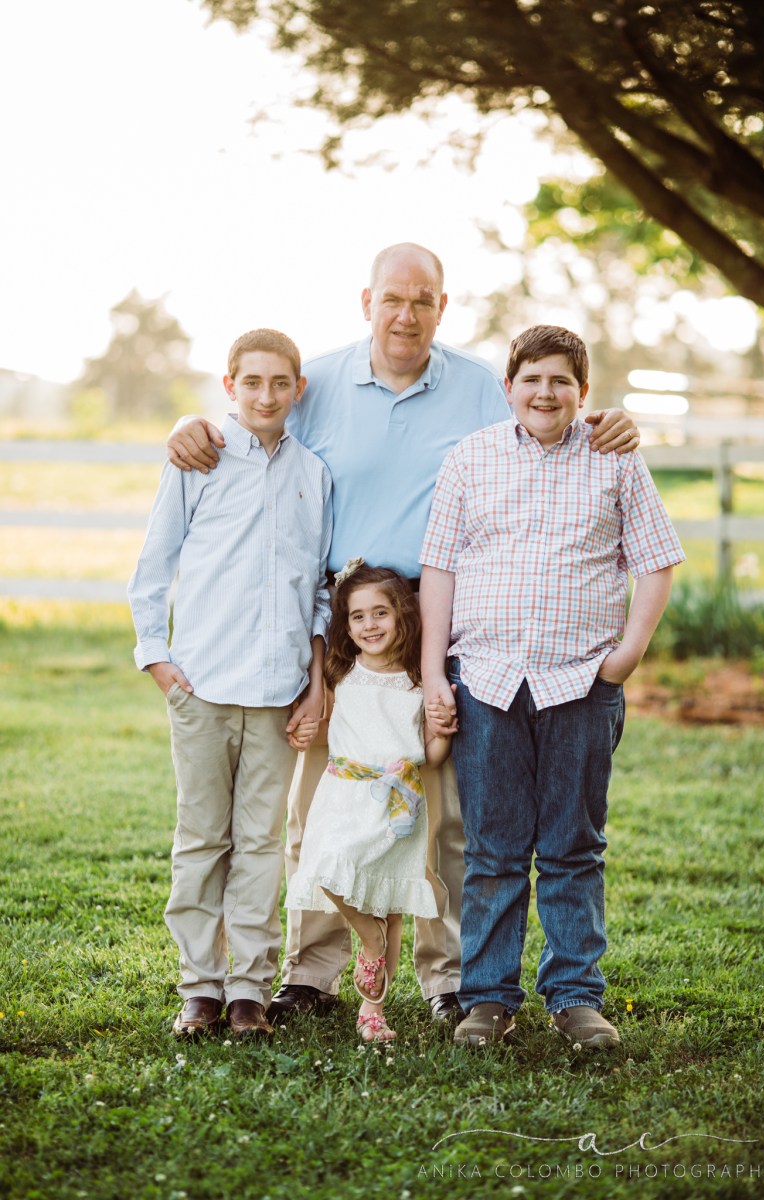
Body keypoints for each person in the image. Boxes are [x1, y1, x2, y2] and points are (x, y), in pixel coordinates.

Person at [166, 243, 642, 1026]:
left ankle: (444, 972)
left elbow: (546, 424)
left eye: (423, 300)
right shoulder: (317, 382)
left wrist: (608, 419)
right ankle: (313, 968)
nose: (407, 313)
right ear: (367, 301)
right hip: (341, 623)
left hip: (438, 616)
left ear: (442, 307)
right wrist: (192, 422)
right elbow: (248, 419)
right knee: (323, 805)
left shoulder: (479, 387)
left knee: (442, 807)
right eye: (394, 298)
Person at [420, 324, 684, 1048]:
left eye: (560, 380)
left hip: (580, 683)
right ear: (509, 388)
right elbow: (439, 569)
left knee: (573, 846)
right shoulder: (470, 460)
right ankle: (489, 999)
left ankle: (575, 996)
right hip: (489, 681)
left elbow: (657, 560)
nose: (545, 392)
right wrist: (434, 671)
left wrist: (627, 654)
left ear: (583, 392)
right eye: (532, 378)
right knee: (494, 850)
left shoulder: (615, 459)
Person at [128, 328, 332, 1039]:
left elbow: (319, 591)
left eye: (281, 384)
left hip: (278, 690)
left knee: (259, 842)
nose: (267, 396)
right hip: (203, 684)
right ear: (230, 386)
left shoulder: (314, 474)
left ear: (297, 390)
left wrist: (313, 680)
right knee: (202, 839)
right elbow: (153, 567)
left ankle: (248, 989)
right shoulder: (200, 460)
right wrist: (159, 661)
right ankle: (200, 988)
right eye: (253, 383)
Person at [286, 561, 455, 1042]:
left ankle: (373, 1010)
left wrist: (441, 730)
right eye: (358, 616)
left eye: (381, 613)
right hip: (344, 794)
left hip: (398, 803)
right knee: (325, 864)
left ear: (403, 614)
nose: (370, 625)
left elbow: (431, 757)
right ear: (347, 624)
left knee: (391, 903)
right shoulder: (342, 671)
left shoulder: (419, 681)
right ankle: (368, 936)